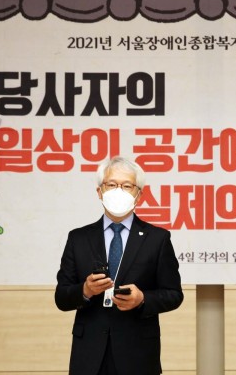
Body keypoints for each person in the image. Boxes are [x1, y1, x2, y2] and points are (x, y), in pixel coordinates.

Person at [55, 156, 184, 375]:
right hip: (89, 354)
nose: (119, 191)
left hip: (138, 353)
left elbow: (174, 294)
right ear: (99, 192)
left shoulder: (157, 239)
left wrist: (142, 299)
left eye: (127, 186)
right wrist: (85, 290)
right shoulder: (78, 238)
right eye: (112, 185)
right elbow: (61, 297)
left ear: (139, 195)